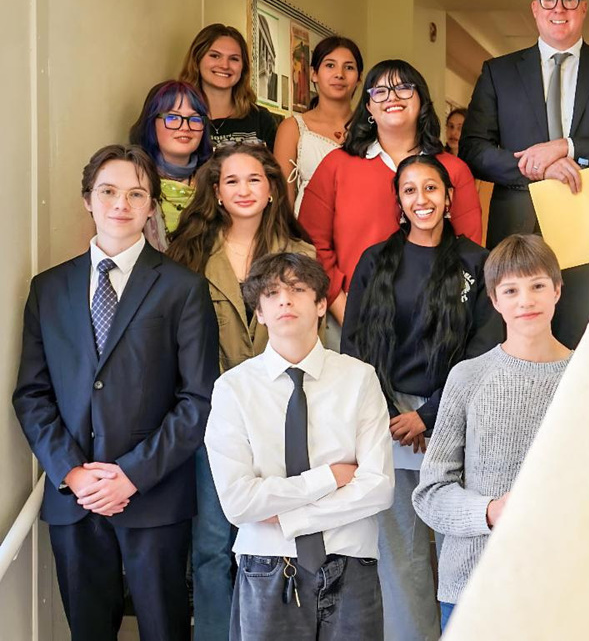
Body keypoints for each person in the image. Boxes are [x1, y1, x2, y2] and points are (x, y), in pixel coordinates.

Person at [13, 145, 218, 640]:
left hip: (153, 497)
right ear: (88, 199)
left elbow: (198, 400)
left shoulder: (183, 289)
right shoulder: (49, 288)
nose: (120, 204)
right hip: (75, 499)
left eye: (135, 193)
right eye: (108, 191)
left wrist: (131, 475)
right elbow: (32, 394)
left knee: (165, 629)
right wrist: (73, 473)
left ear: (151, 207)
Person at [341, 154, 503, 641]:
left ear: (449, 198)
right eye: (410, 190)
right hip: (388, 420)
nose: (422, 199)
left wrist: (431, 415)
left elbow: (486, 346)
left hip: (460, 418)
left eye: (431, 188)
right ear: (399, 202)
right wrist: (396, 416)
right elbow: (357, 345)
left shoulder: (478, 261)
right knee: (402, 553)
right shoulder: (375, 261)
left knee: (466, 545)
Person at [166, 143, 315, 639]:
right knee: (211, 543)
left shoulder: (302, 256)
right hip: (214, 418)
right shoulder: (187, 255)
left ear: (272, 188)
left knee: (280, 540)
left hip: (282, 416)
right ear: (217, 191)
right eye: (232, 181)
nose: (244, 190)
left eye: (254, 179)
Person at [460, 0, 589, 348]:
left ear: (584, 9)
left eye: (570, 0)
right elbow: (474, 149)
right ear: (535, 8)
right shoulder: (499, 73)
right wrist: (539, 166)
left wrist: (568, 147)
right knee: (521, 342)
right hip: (520, 227)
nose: (559, 8)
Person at [205, 253, 393, 640]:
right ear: (259, 312)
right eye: (272, 294)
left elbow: (378, 487)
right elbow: (239, 502)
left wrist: (289, 518)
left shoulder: (359, 378)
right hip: (266, 563)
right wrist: (329, 477)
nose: (285, 301)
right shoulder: (233, 389)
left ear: (321, 304)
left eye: (297, 290)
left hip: (350, 559)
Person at [412, 234, 572, 631]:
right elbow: (431, 493)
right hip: (472, 587)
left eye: (537, 286)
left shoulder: (588, 377)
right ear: (495, 300)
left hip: (563, 587)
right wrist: (490, 511)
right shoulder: (467, 377)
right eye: (511, 290)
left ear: (557, 290)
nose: (525, 301)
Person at [298, 59, 482, 350]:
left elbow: (467, 252)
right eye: (380, 91)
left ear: (421, 99)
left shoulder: (454, 170)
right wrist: (345, 308)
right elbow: (311, 243)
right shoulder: (337, 166)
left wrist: (435, 315)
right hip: (349, 318)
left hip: (432, 328)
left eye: (404, 88)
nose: (392, 97)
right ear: (368, 107)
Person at [273, 35, 364, 215]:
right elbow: (284, 203)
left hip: (365, 235)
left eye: (349, 67)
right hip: (308, 236)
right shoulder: (293, 128)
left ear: (360, 78)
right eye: (330, 65)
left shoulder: (373, 126)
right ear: (314, 74)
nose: (340, 74)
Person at [129, 80, 214, 250]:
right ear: (151, 123)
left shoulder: (215, 182)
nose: (185, 127)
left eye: (195, 119)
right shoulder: (132, 181)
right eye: (173, 117)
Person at [180, 23, 278, 150]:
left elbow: (275, 169)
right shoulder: (177, 116)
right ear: (197, 60)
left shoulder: (261, 119)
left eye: (234, 59)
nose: (225, 65)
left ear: (243, 67)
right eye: (215, 56)